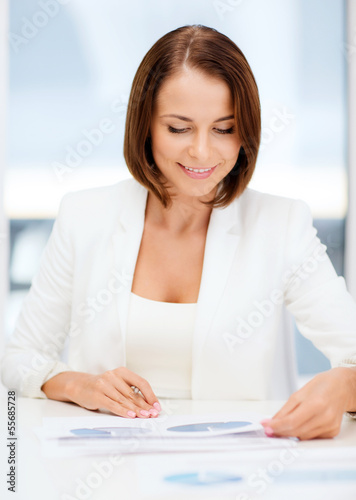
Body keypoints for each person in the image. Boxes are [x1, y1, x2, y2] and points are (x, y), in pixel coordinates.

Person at [2, 24, 356, 440]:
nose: (202, 152)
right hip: (109, 472)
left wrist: (344, 386)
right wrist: (75, 383)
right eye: (178, 128)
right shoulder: (85, 215)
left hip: (237, 473)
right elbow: (18, 358)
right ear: (145, 126)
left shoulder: (281, 224)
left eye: (224, 129)